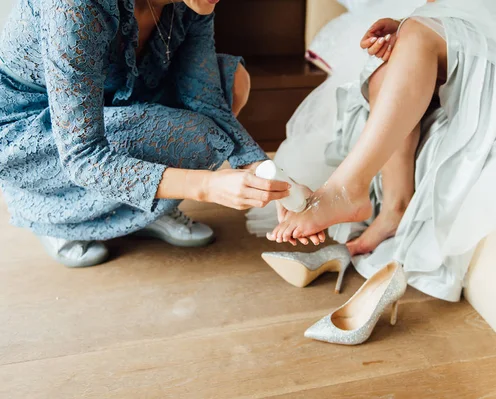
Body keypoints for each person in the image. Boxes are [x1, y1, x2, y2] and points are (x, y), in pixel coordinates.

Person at [268, 0, 496, 301]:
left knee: (418, 36)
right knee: (389, 65)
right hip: (476, 29)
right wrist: (404, 26)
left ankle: (346, 189)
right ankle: (395, 208)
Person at [0, 0, 292, 267]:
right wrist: (206, 186)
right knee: (195, 137)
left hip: (115, 99)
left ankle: (146, 211)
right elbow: (82, 156)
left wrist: (261, 168)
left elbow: (204, 96)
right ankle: (61, 220)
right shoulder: (75, 6)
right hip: (31, 127)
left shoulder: (196, 3)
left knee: (232, 82)